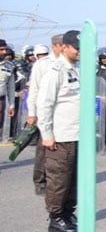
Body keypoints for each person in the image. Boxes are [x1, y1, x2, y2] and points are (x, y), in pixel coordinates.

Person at [36, 30, 81, 232]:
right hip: (60, 136)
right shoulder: (55, 72)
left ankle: (67, 213)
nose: (80, 52)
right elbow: (44, 104)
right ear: (64, 47)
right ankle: (55, 217)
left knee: (73, 179)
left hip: (76, 134)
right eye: (76, 48)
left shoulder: (76, 69)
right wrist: (47, 135)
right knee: (59, 179)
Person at [26, 35, 64, 196]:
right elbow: (34, 90)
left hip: (63, 112)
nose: (64, 48)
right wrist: (32, 113)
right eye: (62, 45)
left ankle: (60, 179)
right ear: (54, 46)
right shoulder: (42, 64)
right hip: (45, 110)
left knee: (63, 147)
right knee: (43, 147)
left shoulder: (70, 63)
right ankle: (40, 181)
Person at [0, 39, 17, 140]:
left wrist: (11, 105)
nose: (4, 52)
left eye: (5, 49)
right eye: (1, 49)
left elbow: (11, 87)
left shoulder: (9, 66)